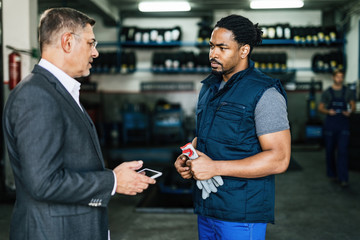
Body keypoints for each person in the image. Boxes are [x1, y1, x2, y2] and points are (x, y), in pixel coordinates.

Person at [2, 8, 155, 240]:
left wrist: (113, 175)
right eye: (91, 43)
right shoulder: (36, 95)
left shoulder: (58, 91)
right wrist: (112, 181)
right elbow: (43, 183)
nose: (95, 53)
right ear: (67, 42)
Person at [174, 14, 291, 240]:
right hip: (208, 206)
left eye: (222, 47)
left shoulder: (265, 93)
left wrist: (215, 168)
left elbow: (280, 158)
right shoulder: (209, 87)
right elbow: (208, 135)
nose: (213, 54)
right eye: (211, 46)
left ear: (244, 50)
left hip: (241, 212)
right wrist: (190, 157)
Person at [318, 69, 355, 187]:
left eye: (341, 77)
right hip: (331, 125)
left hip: (343, 124)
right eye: (337, 77)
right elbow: (320, 108)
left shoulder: (348, 91)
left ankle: (343, 178)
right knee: (329, 151)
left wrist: (349, 111)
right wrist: (328, 111)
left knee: (343, 151)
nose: (339, 79)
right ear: (333, 78)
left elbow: (353, 105)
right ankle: (332, 175)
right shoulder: (327, 92)